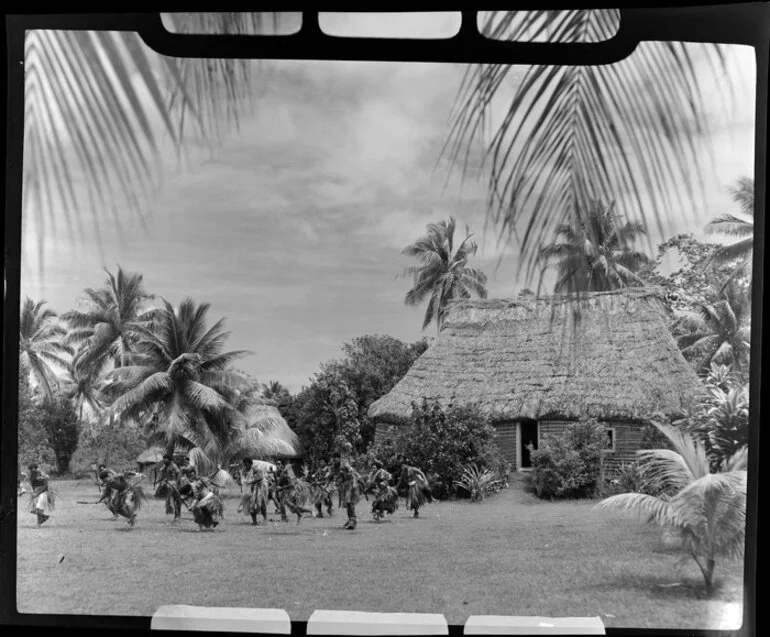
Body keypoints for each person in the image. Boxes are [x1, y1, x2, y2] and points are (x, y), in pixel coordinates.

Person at [274, 460, 312, 524]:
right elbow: (278, 484)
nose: (278, 465)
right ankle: (301, 513)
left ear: (282, 465)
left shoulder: (286, 473)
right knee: (291, 508)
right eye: (277, 464)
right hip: (285, 491)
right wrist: (275, 477)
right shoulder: (278, 473)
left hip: (291, 491)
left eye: (279, 464)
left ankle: (285, 517)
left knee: (284, 504)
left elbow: (291, 485)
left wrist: (281, 488)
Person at [238, 458, 269, 526]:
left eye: (246, 464)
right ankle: (254, 521)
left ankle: (265, 518)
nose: (245, 466)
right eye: (244, 464)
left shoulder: (256, 469)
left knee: (261, 504)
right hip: (249, 489)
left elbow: (260, 478)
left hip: (259, 487)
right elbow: (243, 480)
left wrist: (251, 482)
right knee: (250, 505)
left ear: (251, 464)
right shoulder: (243, 470)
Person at [336, 449, 361, 530]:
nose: (342, 455)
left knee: (349, 503)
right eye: (342, 453)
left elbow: (352, 473)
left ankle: (353, 520)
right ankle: (350, 519)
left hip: (351, 485)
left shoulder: (347, 463)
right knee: (347, 504)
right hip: (346, 486)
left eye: (344, 453)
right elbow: (341, 474)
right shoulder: (343, 463)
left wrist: (353, 483)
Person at [156, 454, 182, 521]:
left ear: (169, 460)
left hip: (173, 484)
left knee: (176, 500)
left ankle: (177, 515)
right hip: (168, 483)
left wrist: (177, 482)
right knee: (171, 499)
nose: (164, 460)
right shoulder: (165, 466)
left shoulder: (173, 465)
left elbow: (179, 473)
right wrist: (159, 480)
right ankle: (174, 514)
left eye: (166, 459)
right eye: (164, 459)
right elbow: (162, 473)